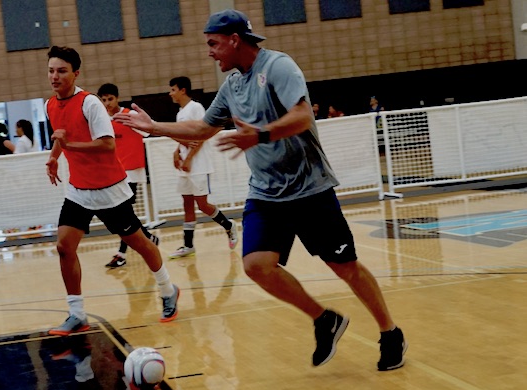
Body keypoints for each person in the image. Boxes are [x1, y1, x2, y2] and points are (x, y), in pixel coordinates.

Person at [114, 9, 406, 371]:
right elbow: (203, 130)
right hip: (266, 194)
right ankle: (323, 319)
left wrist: (261, 134)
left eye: (213, 44)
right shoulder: (232, 85)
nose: (210, 52)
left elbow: (302, 116)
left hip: (310, 189)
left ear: (235, 39)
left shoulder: (278, 67)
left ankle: (390, 331)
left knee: (345, 268)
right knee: (256, 266)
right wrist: (154, 127)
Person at [44, 46, 180, 335]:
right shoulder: (50, 106)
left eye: (61, 70)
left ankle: (168, 290)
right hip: (78, 191)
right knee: (64, 247)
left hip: (109, 189)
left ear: (75, 73)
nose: (55, 76)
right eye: (51, 70)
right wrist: (55, 156)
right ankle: (77, 314)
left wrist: (67, 147)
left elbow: (107, 144)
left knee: (139, 243)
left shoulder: (90, 103)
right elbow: (62, 136)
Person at [167, 76, 238, 258]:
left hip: (198, 165)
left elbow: (201, 135)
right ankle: (188, 245)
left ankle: (229, 225)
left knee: (203, 204)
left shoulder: (195, 108)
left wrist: (189, 158)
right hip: (185, 165)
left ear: (183, 90)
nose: (170, 93)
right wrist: (177, 152)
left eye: (173, 89)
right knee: (187, 204)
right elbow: (185, 137)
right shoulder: (179, 113)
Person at [97, 82, 160, 269]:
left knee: (124, 213)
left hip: (132, 171)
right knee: (123, 214)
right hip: (114, 173)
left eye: (110, 99)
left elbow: (147, 132)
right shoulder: (101, 120)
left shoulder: (128, 115)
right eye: (104, 100)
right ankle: (148, 237)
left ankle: (122, 253)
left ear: (117, 98)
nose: (107, 103)